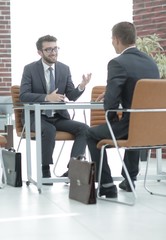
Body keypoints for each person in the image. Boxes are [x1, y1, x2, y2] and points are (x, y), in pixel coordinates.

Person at [86, 21, 160, 198]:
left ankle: (106, 184)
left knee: (90, 133)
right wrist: (110, 91)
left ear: (117, 39)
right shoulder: (151, 62)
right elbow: (139, 90)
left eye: (112, 39)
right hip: (152, 128)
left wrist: (112, 123)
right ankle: (129, 180)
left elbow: (111, 103)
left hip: (131, 125)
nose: (112, 43)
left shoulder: (117, 63)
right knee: (134, 129)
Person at [20, 35, 91, 185]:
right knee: (49, 129)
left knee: (84, 129)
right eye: (49, 49)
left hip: (58, 116)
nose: (53, 52)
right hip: (36, 117)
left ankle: (73, 167)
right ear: (40, 52)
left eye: (55, 48)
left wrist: (81, 86)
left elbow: (71, 95)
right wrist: (46, 97)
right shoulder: (30, 69)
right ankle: (45, 169)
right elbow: (24, 96)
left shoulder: (64, 69)